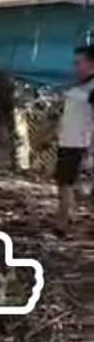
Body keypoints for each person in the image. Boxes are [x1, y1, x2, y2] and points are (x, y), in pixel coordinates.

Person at [55, 45, 94, 235]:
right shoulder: (80, 87)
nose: (76, 66)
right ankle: (67, 220)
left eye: (80, 62)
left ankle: (63, 225)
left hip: (81, 145)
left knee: (69, 186)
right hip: (69, 143)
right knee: (64, 185)